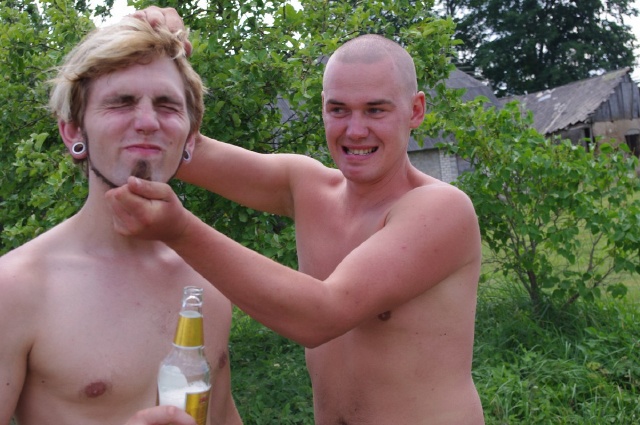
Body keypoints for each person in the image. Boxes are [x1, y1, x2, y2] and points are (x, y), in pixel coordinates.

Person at [109, 7, 485, 424]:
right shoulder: (306, 187)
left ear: (415, 110)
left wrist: (180, 230)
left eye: (375, 110)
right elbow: (177, 149)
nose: (355, 130)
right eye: (339, 110)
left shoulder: (441, 209)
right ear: (323, 107)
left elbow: (322, 315)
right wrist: (158, 60)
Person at [0, 17, 242, 425]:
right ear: (73, 132)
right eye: (121, 102)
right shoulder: (16, 288)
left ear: (190, 138)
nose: (147, 121)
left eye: (167, 105)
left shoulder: (209, 284)